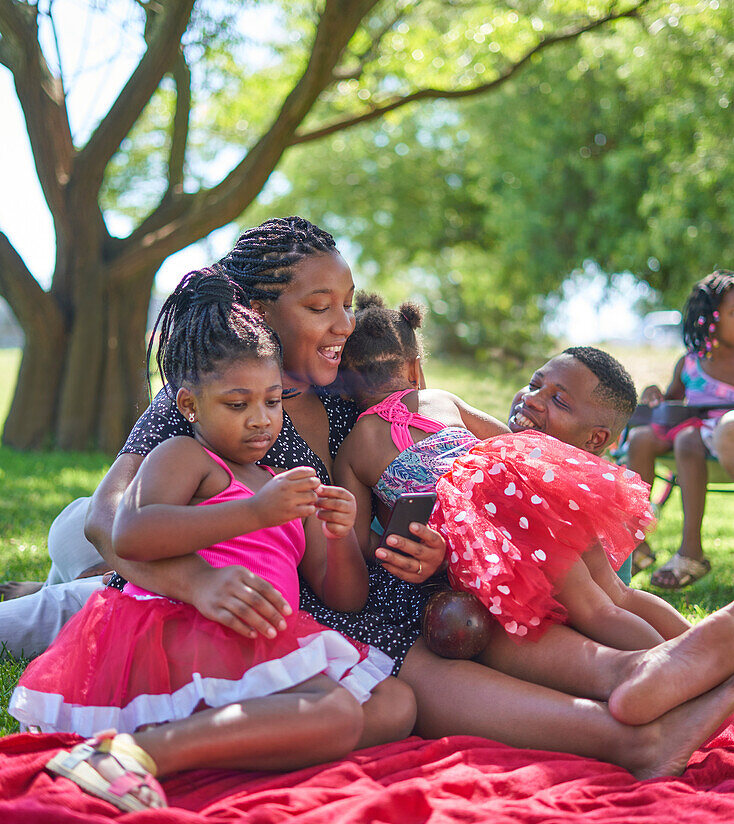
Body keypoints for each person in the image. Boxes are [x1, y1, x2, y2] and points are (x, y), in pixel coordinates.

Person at [7, 218, 734, 780]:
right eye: (320, 307)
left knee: (475, 632)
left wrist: (438, 544)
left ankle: (636, 679)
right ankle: (629, 732)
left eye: (348, 304)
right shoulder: (217, 396)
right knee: (412, 670)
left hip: (391, 594)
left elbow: (432, 465)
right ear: (258, 313)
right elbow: (112, 519)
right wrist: (197, 578)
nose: (344, 325)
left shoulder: (354, 392)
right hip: (290, 612)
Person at [10, 267, 413, 812]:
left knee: (395, 704)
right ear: (190, 407)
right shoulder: (186, 459)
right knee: (339, 713)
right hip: (181, 628)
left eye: (272, 402)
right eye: (236, 403)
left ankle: (220, 743)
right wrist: (253, 512)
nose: (260, 421)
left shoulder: (279, 485)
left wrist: (339, 535)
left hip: (260, 632)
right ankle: (131, 753)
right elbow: (131, 532)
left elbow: (342, 596)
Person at [334, 292, 689, 657]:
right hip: (526, 497)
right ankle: (701, 646)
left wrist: (395, 544)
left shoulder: (350, 451)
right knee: (616, 596)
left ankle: (681, 669)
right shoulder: (441, 399)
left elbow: (358, 540)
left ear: (341, 390)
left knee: (597, 613)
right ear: (414, 369)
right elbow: (510, 442)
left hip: (484, 530)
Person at [626, 270, 734, 589]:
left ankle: (691, 551)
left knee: (688, 438)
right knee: (641, 437)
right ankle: (636, 541)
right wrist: (653, 393)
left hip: (724, 440)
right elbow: (671, 405)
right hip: (695, 433)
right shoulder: (690, 363)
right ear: (708, 319)